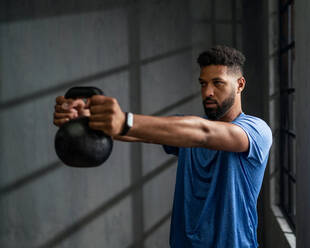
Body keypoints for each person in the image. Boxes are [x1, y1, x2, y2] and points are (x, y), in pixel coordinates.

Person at [53, 45, 272, 247]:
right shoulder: (184, 130)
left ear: (240, 84)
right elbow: (144, 133)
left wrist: (125, 121)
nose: (208, 92)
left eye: (218, 83)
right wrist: (89, 118)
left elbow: (203, 134)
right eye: (203, 84)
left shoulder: (255, 130)